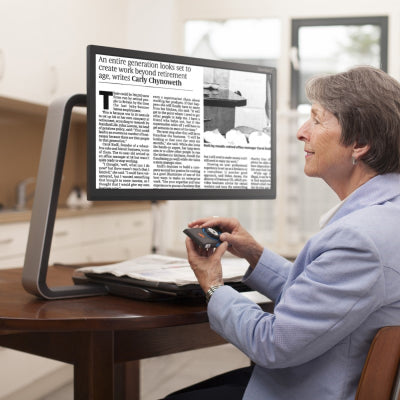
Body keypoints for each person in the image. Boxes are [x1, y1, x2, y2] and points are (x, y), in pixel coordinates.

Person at [165, 66, 400, 400]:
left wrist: (213, 285)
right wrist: (256, 255)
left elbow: (272, 343)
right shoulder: (386, 217)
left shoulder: (360, 238)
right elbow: (326, 294)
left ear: (360, 142)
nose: (301, 132)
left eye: (317, 120)